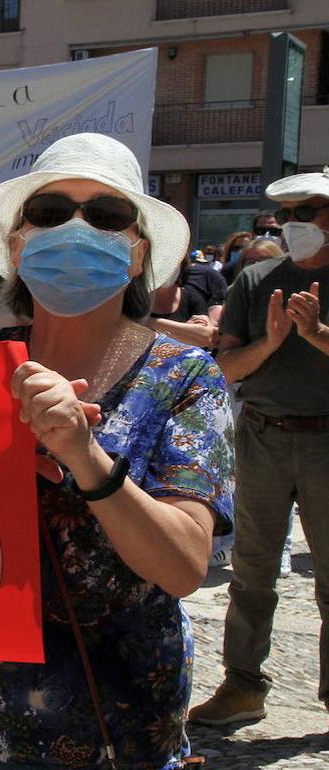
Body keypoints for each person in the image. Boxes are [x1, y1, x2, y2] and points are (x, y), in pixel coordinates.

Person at [0, 134, 233, 769]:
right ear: (18, 246)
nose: (76, 227)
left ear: (137, 257)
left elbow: (185, 565)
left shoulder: (184, 376)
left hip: (109, 721)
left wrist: (86, 457)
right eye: (50, 212)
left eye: (105, 216)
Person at [189, 166, 329, 727]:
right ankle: (243, 685)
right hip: (263, 436)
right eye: (287, 214)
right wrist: (270, 344)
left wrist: (316, 336)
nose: (293, 224)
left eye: (307, 213)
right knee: (251, 572)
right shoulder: (256, 280)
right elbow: (225, 367)